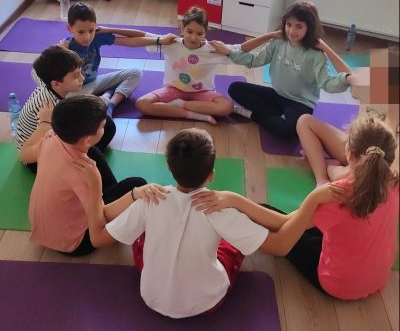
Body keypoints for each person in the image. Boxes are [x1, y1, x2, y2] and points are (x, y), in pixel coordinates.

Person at [75, 127, 335, 318]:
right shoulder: (221, 210)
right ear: (211, 174)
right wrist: (311, 202)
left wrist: (100, 191)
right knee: (232, 245)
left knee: (142, 237)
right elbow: (279, 246)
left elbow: (98, 239)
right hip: (206, 302)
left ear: (169, 167)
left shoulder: (149, 199)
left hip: (151, 296)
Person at [192, 115, 399, 300]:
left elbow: (281, 238)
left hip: (338, 285)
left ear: (350, 154)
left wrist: (234, 199)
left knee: (261, 213)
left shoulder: (337, 195)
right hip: (378, 279)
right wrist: (334, 172)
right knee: (328, 227)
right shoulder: (395, 182)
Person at [24, 94, 156, 256]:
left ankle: (109, 195)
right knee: (138, 184)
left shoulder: (50, 137)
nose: (105, 126)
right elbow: (98, 233)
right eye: (102, 126)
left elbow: (24, 154)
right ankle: (119, 197)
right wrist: (132, 194)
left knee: (92, 152)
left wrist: (44, 122)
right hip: (76, 243)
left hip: (44, 229)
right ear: (87, 139)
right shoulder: (83, 176)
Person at [210, 1, 354, 137]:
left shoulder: (316, 55)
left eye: (299, 26)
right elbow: (255, 60)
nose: (291, 31)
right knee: (235, 88)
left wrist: (344, 77)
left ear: (309, 28)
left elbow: (327, 84)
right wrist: (230, 52)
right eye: (289, 24)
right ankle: (278, 116)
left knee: (289, 130)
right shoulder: (278, 42)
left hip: (301, 103)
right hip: (277, 95)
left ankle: (252, 114)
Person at [60, 2, 177, 117]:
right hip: (78, 90)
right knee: (68, 100)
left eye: (91, 30)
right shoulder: (64, 48)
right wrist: (62, 56)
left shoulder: (96, 37)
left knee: (136, 73)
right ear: (70, 28)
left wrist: (159, 40)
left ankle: (111, 104)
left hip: (96, 82)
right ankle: (105, 96)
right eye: (81, 32)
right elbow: (57, 84)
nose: (87, 37)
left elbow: (131, 41)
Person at [16, 45, 116, 173]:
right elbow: (51, 138)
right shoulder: (51, 107)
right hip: (36, 159)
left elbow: (34, 71)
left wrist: (60, 52)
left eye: (80, 72)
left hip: (48, 135)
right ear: (56, 83)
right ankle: (79, 166)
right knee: (100, 133)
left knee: (106, 123)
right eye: (75, 76)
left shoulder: (47, 81)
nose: (82, 78)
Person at [135, 6, 235, 124]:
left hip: (202, 92)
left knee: (227, 107)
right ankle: (193, 115)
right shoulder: (170, 43)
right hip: (174, 90)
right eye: (189, 31)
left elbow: (242, 52)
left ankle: (180, 105)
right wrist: (114, 36)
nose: (193, 38)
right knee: (142, 104)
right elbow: (142, 36)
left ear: (205, 33)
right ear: (182, 28)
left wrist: (230, 52)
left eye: (199, 33)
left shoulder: (214, 49)